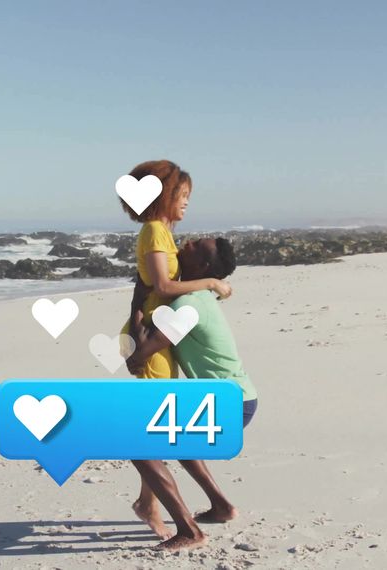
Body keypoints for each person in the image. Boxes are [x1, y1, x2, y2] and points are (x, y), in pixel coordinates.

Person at [118, 160, 232, 550]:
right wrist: (213, 282)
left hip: (156, 334)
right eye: (182, 196)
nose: (186, 204)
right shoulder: (153, 230)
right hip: (153, 340)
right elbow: (164, 285)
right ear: (164, 195)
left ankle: (150, 503)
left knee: (159, 429)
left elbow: (146, 285)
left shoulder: (163, 231)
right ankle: (159, 511)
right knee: (154, 431)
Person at [126, 237, 258, 542]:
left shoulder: (189, 305)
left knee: (138, 444)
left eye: (196, 246)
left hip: (231, 404)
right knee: (179, 441)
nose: (186, 243)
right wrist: (214, 283)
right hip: (236, 397)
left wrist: (137, 298)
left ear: (203, 265)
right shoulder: (199, 297)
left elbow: (143, 349)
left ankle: (189, 530)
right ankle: (221, 506)